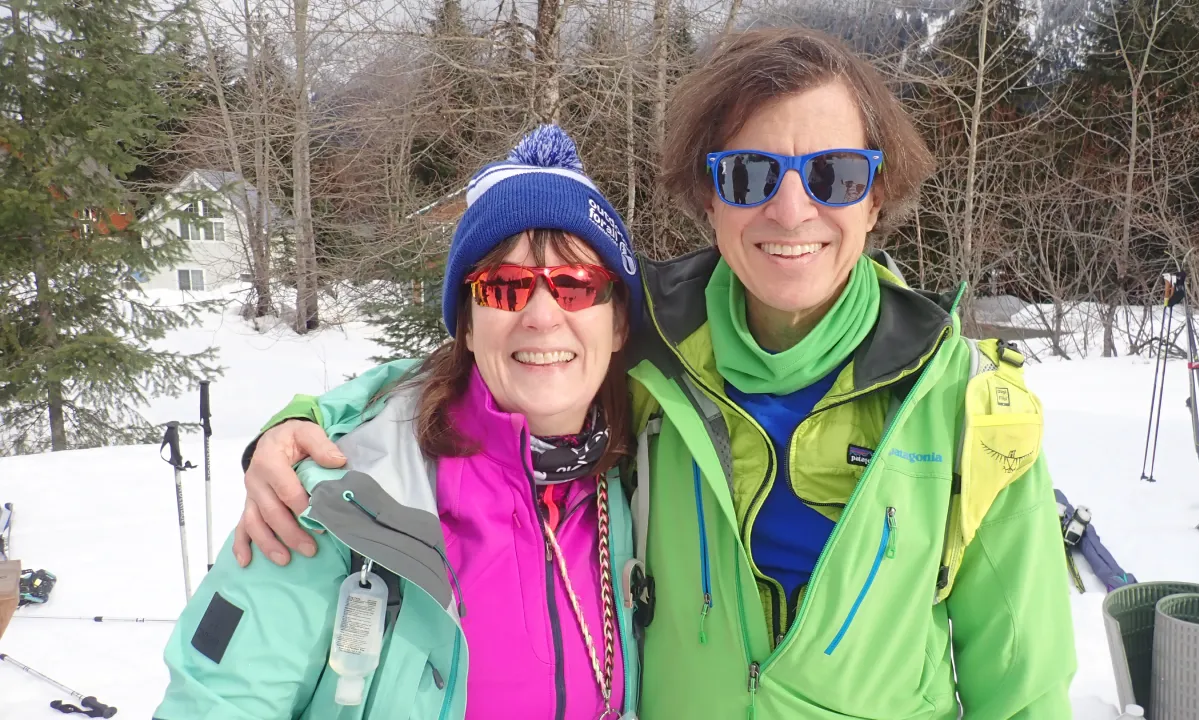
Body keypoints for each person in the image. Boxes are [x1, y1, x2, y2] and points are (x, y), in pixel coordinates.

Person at [234, 27, 1076, 719]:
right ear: (709, 198)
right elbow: (488, 362)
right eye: (749, 175)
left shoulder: (964, 407)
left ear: (875, 194)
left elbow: (1025, 689)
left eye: (834, 174)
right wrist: (306, 422)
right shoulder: (648, 348)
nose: (792, 210)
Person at [153, 125, 645, 720]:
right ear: (467, 325)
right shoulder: (339, 499)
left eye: (576, 285)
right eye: (505, 288)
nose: (542, 316)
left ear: (619, 324)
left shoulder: (643, 476)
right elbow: (217, 704)